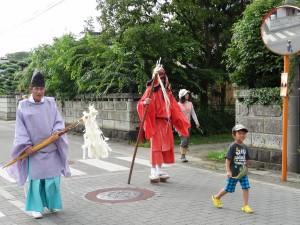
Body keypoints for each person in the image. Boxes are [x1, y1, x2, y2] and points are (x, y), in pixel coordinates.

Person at [7, 70, 71, 219]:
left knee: (52, 179)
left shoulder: (51, 102)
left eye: (41, 88)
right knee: (36, 181)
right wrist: (25, 145)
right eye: (36, 89)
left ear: (45, 89)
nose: (39, 92)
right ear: (31, 89)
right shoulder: (23, 105)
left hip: (51, 147)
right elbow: (20, 128)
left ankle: (52, 203)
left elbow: (58, 121)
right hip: (34, 150)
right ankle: (36, 208)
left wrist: (57, 132)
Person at [137, 64, 190, 183]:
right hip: (155, 122)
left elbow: (174, 108)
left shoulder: (167, 92)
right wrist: (145, 102)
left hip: (166, 123)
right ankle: (153, 170)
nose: (162, 78)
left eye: (163, 76)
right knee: (156, 147)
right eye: (159, 76)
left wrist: (180, 122)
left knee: (164, 147)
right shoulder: (151, 90)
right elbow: (140, 104)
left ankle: (159, 169)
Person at [211, 124, 253, 214]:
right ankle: (216, 197)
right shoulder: (233, 146)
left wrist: (246, 168)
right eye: (240, 133)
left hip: (243, 173)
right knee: (228, 189)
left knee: (246, 188)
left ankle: (245, 206)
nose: (242, 135)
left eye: (244, 134)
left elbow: (247, 159)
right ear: (234, 135)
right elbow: (228, 159)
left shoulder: (245, 147)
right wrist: (228, 171)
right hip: (234, 173)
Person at [177, 89, 200, 163]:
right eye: (186, 94)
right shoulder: (178, 105)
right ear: (182, 95)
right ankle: (182, 156)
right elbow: (175, 115)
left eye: (188, 94)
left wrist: (196, 122)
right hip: (180, 125)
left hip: (188, 125)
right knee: (184, 140)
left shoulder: (190, 103)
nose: (188, 95)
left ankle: (183, 154)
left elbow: (193, 113)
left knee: (186, 141)